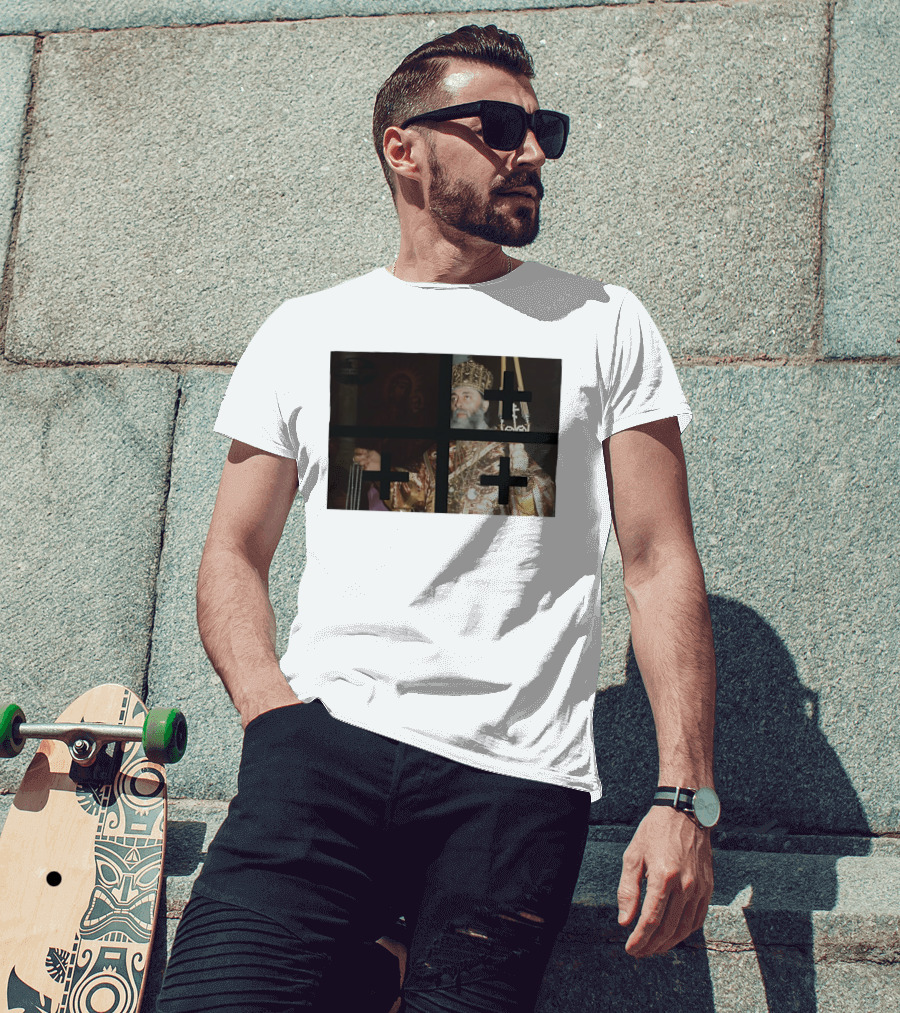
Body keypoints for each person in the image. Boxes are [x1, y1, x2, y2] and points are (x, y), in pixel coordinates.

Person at [156, 23, 717, 1013]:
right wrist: (271, 715)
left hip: (513, 787)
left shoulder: (604, 322)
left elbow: (658, 561)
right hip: (320, 760)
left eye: (543, 129)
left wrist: (684, 797)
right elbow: (232, 553)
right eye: (498, 126)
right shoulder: (306, 328)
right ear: (402, 147)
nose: (531, 151)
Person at [352, 357, 557, 515]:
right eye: (454, 397)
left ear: (485, 405)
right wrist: (381, 469)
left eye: (467, 396)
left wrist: (522, 476)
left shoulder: (505, 447)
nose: (458, 403)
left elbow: (543, 500)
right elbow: (412, 491)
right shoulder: (438, 452)